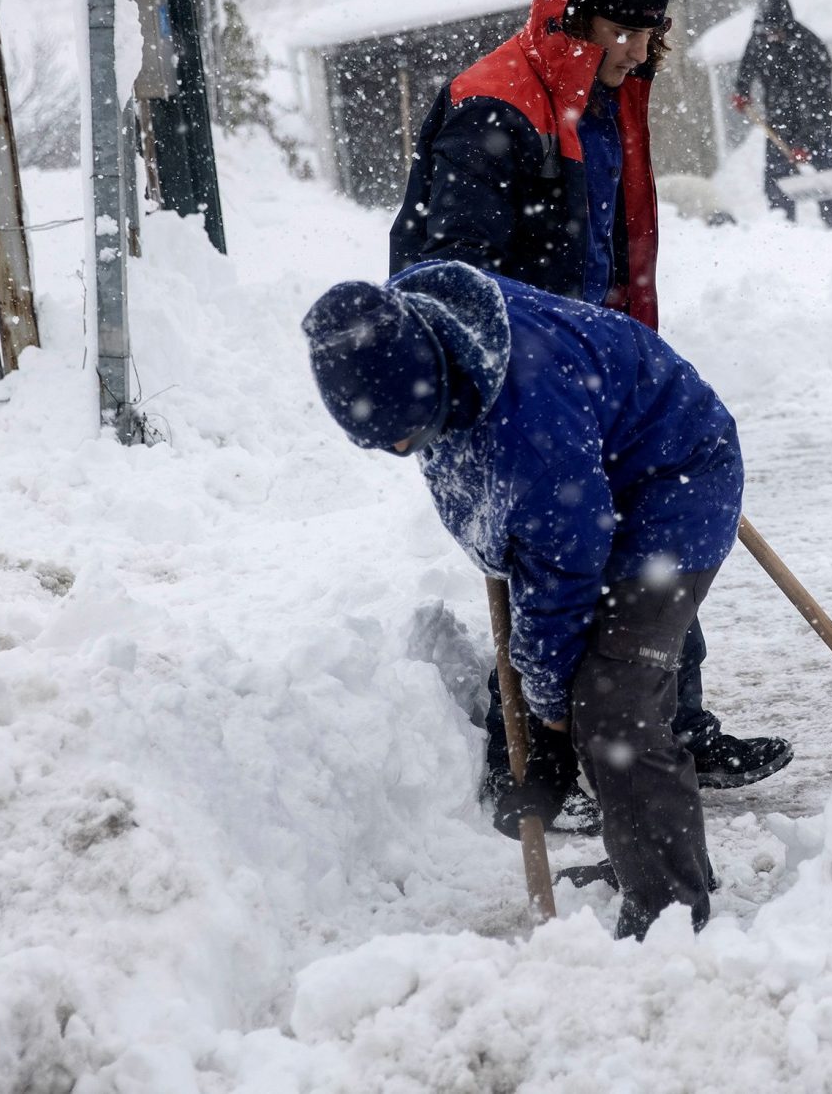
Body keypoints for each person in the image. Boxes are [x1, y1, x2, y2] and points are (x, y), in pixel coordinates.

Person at [388, 0, 790, 805]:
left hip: (591, 361)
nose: (639, 49)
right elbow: (445, 279)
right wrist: (517, 382)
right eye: (621, 29)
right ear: (571, 19)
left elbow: (605, 239)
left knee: (652, 535)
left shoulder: (602, 94)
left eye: (651, 31)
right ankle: (530, 763)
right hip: (513, 382)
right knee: (557, 561)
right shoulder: (495, 107)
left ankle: (670, 729)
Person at [303, 260, 738, 938]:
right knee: (587, 689)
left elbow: (562, 565)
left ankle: (670, 912)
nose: (400, 447)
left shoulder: (531, 425)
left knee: (613, 701)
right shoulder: (424, 326)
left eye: (409, 433)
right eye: (385, 442)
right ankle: (650, 858)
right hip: (592, 471)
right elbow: (523, 528)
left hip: (674, 480)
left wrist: (547, 710)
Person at [732, 0, 832, 228]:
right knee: (777, 176)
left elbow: (820, 102)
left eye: (776, 31)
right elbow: (749, 62)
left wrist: (805, 142)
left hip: (813, 119)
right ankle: (783, 225)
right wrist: (742, 91)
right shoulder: (760, 37)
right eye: (767, 31)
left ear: (787, 24)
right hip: (778, 118)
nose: (771, 36)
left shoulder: (810, 48)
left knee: (827, 174)